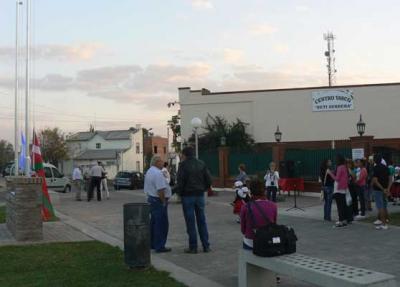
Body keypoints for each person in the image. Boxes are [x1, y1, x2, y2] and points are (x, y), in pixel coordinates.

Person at [176, 146, 212, 254]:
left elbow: (180, 182)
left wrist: (180, 193)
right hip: (200, 195)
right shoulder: (201, 163)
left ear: (185, 155)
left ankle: (193, 247)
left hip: (188, 196)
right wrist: (203, 188)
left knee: (190, 222)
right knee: (202, 220)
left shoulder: (183, 165)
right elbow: (209, 180)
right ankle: (206, 246)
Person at [144, 155, 172, 253]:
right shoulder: (158, 173)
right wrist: (163, 201)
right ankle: (160, 246)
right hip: (158, 200)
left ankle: (152, 243)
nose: (163, 163)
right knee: (162, 224)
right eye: (161, 161)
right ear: (156, 162)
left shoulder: (149, 171)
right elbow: (160, 189)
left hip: (151, 199)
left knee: (154, 223)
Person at [240, 179, 278, 250]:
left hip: (250, 242)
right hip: (268, 241)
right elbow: (274, 224)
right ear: (264, 191)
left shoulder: (245, 207)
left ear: (250, 192)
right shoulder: (273, 205)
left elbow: (243, 230)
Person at [328, 154, 350, 227]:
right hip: (343, 188)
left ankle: (340, 221)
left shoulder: (340, 167)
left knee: (339, 206)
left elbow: (337, 179)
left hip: (338, 189)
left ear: (338, 160)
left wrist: (330, 173)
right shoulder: (344, 167)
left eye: (336, 159)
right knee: (343, 205)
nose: (335, 160)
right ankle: (344, 220)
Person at [371, 154, 390, 230]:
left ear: (375, 160)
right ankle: (385, 221)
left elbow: (375, 180)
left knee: (380, 207)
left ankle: (384, 224)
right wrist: (387, 188)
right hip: (385, 188)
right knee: (384, 206)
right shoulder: (386, 167)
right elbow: (390, 178)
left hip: (378, 190)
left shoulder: (375, 168)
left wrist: (382, 189)